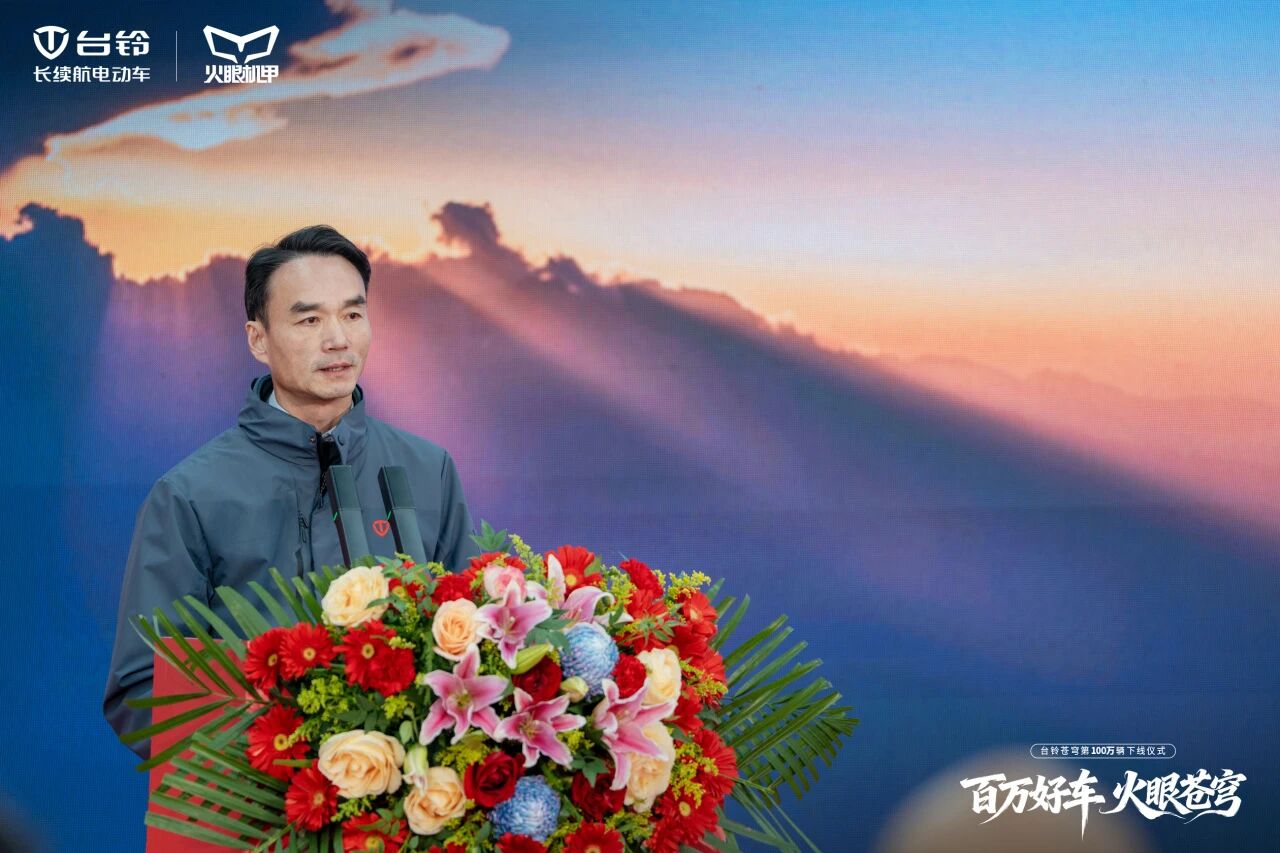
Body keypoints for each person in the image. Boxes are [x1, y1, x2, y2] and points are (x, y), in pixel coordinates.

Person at [102, 224, 483, 758]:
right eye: (309, 319)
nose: (338, 339)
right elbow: (145, 688)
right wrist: (291, 757)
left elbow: (478, 644)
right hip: (263, 797)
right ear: (257, 339)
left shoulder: (427, 470)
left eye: (353, 314)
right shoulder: (191, 494)